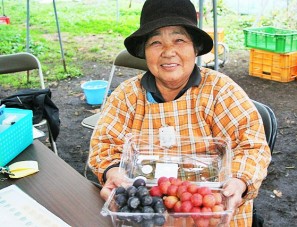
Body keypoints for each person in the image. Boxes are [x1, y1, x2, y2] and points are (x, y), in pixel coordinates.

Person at [89, 0, 271, 226]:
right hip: (145, 215)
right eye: (156, 42)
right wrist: (112, 172)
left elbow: (251, 146)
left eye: (179, 40)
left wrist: (239, 181)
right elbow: (104, 145)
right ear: (145, 52)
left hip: (211, 212)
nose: (168, 52)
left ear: (195, 48)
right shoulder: (126, 96)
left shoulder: (221, 91)